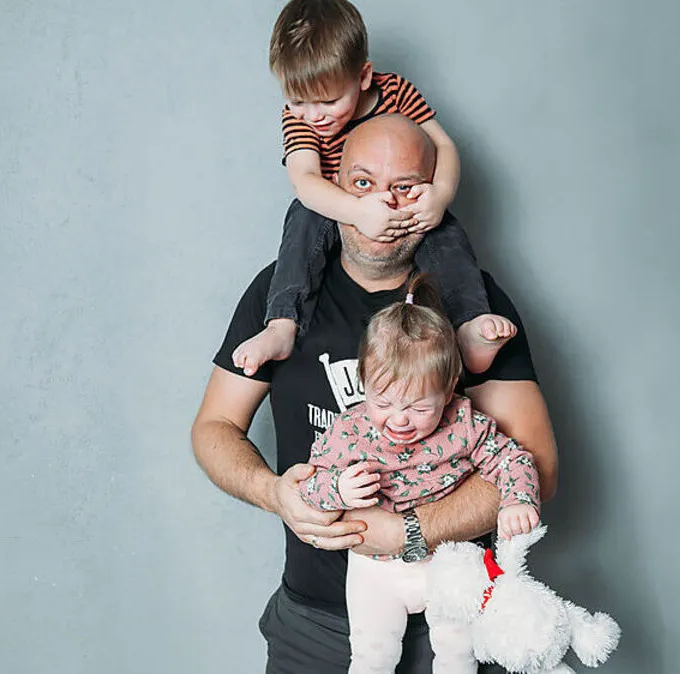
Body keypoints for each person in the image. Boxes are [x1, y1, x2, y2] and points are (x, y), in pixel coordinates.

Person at [191, 114, 559, 674]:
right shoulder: (280, 297)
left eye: (405, 188)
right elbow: (213, 427)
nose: (382, 207)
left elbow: (538, 466)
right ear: (333, 186)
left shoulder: (474, 306)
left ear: (434, 194)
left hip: (456, 616)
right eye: (362, 183)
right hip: (315, 625)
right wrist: (275, 494)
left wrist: (410, 533)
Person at [231, 0, 517, 379]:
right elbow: (305, 180)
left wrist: (440, 194)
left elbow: (443, 145)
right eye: (298, 100)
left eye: (329, 100)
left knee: (445, 231)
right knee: (303, 215)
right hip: (338, 205)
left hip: (400, 203)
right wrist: (358, 212)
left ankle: (468, 325)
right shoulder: (299, 120)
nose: (314, 115)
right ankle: (283, 324)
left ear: (364, 76)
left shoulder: (395, 91)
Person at [300, 275, 540, 673]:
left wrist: (518, 499)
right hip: (375, 567)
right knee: (372, 656)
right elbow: (309, 486)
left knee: (458, 652)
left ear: (448, 391)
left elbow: (512, 458)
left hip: (447, 561)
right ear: (364, 382)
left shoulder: (463, 422)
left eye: (418, 408)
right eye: (383, 403)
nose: (399, 419)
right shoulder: (349, 431)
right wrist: (339, 489)